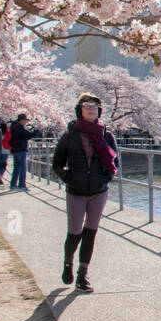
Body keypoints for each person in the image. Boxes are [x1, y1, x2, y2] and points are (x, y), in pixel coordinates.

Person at [52, 95, 119, 293]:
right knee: (74, 233)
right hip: (76, 191)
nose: (91, 109)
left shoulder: (106, 135)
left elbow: (114, 161)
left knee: (91, 232)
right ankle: (68, 262)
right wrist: (69, 178)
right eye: (87, 106)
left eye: (95, 106)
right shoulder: (70, 134)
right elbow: (57, 163)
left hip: (99, 191)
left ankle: (83, 274)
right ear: (79, 109)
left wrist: (105, 178)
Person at [8, 113, 38, 190]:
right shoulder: (19, 127)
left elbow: (22, 136)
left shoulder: (13, 126)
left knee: (16, 168)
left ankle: (13, 185)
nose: (25, 122)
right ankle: (22, 185)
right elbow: (27, 135)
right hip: (21, 149)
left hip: (15, 149)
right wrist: (35, 132)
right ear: (21, 120)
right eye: (25, 120)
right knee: (23, 168)